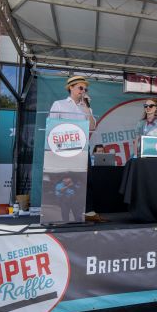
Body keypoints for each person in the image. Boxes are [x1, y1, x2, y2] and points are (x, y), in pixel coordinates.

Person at [49, 75, 103, 222]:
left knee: (87, 181)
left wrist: (86, 107)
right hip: (65, 149)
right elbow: (52, 126)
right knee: (65, 180)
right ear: (71, 87)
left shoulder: (86, 108)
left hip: (82, 149)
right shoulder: (59, 104)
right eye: (80, 87)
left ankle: (89, 213)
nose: (83, 91)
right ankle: (64, 216)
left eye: (85, 88)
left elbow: (92, 127)